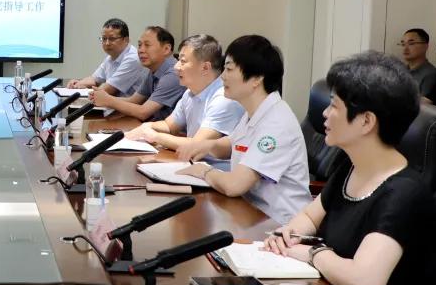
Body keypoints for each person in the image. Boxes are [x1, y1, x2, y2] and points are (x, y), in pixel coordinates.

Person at [261, 51, 436, 285]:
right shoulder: (351, 167)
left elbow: (364, 281)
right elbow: (312, 215)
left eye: (334, 106)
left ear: (366, 121)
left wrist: (312, 253)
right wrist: (289, 234)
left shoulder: (404, 194)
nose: (324, 114)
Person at [175, 35, 310, 224]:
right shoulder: (254, 111)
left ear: (256, 79)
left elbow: (234, 185)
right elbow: (232, 144)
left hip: (277, 224)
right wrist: (207, 146)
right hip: (248, 212)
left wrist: (204, 171)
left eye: (229, 69)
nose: (223, 76)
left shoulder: (276, 124)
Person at [124, 34, 243, 153]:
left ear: (205, 67)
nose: (176, 67)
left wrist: (154, 136)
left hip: (211, 163)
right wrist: (147, 126)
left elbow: (197, 145)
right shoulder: (190, 92)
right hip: (192, 160)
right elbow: (169, 126)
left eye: (182, 61)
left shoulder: (223, 98)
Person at [90, 26, 185, 122]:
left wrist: (108, 100)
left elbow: (143, 112)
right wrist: (103, 98)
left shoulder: (173, 74)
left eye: (147, 45)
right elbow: (134, 100)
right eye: (139, 45)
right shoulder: (153, 70)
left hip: (172, 130)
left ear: (166, 49)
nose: (141, 50)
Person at [66, 18, 147, 95]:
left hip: (128, 104)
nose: (107, 43)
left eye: (112, 39)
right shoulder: (110, 57)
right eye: (104, 39)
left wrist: (85, 89)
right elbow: (95, 79)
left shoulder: (133, 59)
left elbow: (109, 89)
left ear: (126, 40)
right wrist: (78, 84)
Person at [399, 28, 436, 96]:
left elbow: (422, 102)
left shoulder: (430, 74)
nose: (405, 48)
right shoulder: (401, 70)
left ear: (426, 46)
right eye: (403, 44)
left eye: (411, 43)